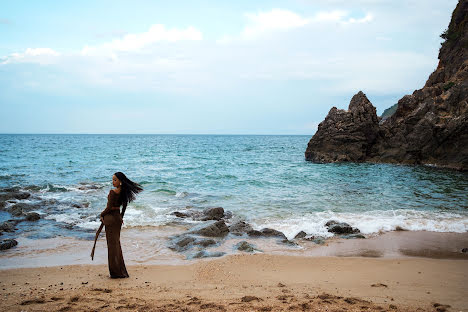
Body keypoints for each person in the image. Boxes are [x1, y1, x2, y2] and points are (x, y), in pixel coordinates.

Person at [99, 172, 143, 278]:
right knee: (117, 245)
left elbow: (109, 207)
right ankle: (120, 271)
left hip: (110, 218)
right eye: (112, 180)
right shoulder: (123, 192)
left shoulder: (112, 192)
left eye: (115, 180)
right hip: (117, 219)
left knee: (111, 246)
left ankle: (115, 273)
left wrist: (101, 215)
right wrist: (121, 217)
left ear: (120, 181)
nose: (113, 182)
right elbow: (124, 206)